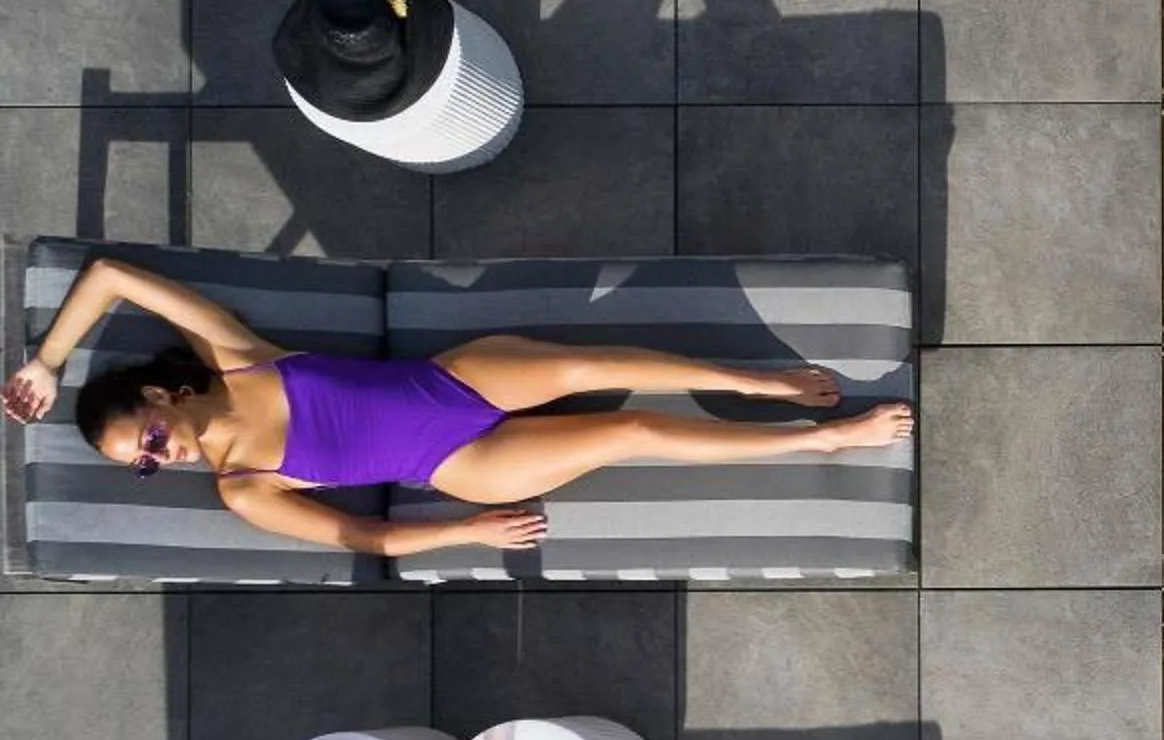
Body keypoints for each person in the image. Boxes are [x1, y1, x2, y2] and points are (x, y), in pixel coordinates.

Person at [2, 255, 913, 560]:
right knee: (630, 430)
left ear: (162, 394)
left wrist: (47, 361)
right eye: (147, 464)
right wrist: (467, 532)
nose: (162, 457)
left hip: (453, 384)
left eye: (150, 436)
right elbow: (371, 541)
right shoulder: (242, 488)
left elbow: (112, 276)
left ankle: (760, 384)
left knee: (580, 364)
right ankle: (826, 440)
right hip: (456, 466)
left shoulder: (232, 359)